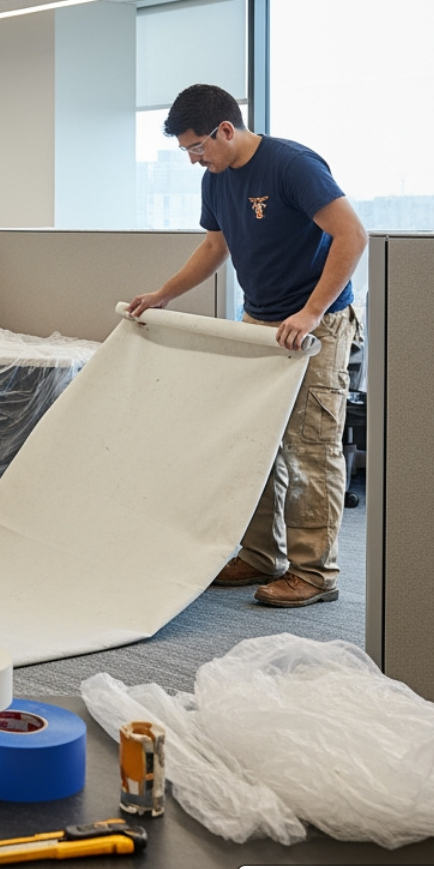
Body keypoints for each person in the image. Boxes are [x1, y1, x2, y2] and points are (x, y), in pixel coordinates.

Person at [127, 84, 365, 609]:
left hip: (316, 322)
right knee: (256, 440)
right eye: (186, 151)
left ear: (226, 130)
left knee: (309, 447)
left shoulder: (292, 165)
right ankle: (261, 556)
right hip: (259, 319)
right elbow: (217, 244)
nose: (194, 160)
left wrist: (310, 313)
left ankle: (314, 574)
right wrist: (166, 294)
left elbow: (351, 235)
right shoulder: (218, 178)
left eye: (196, 148)